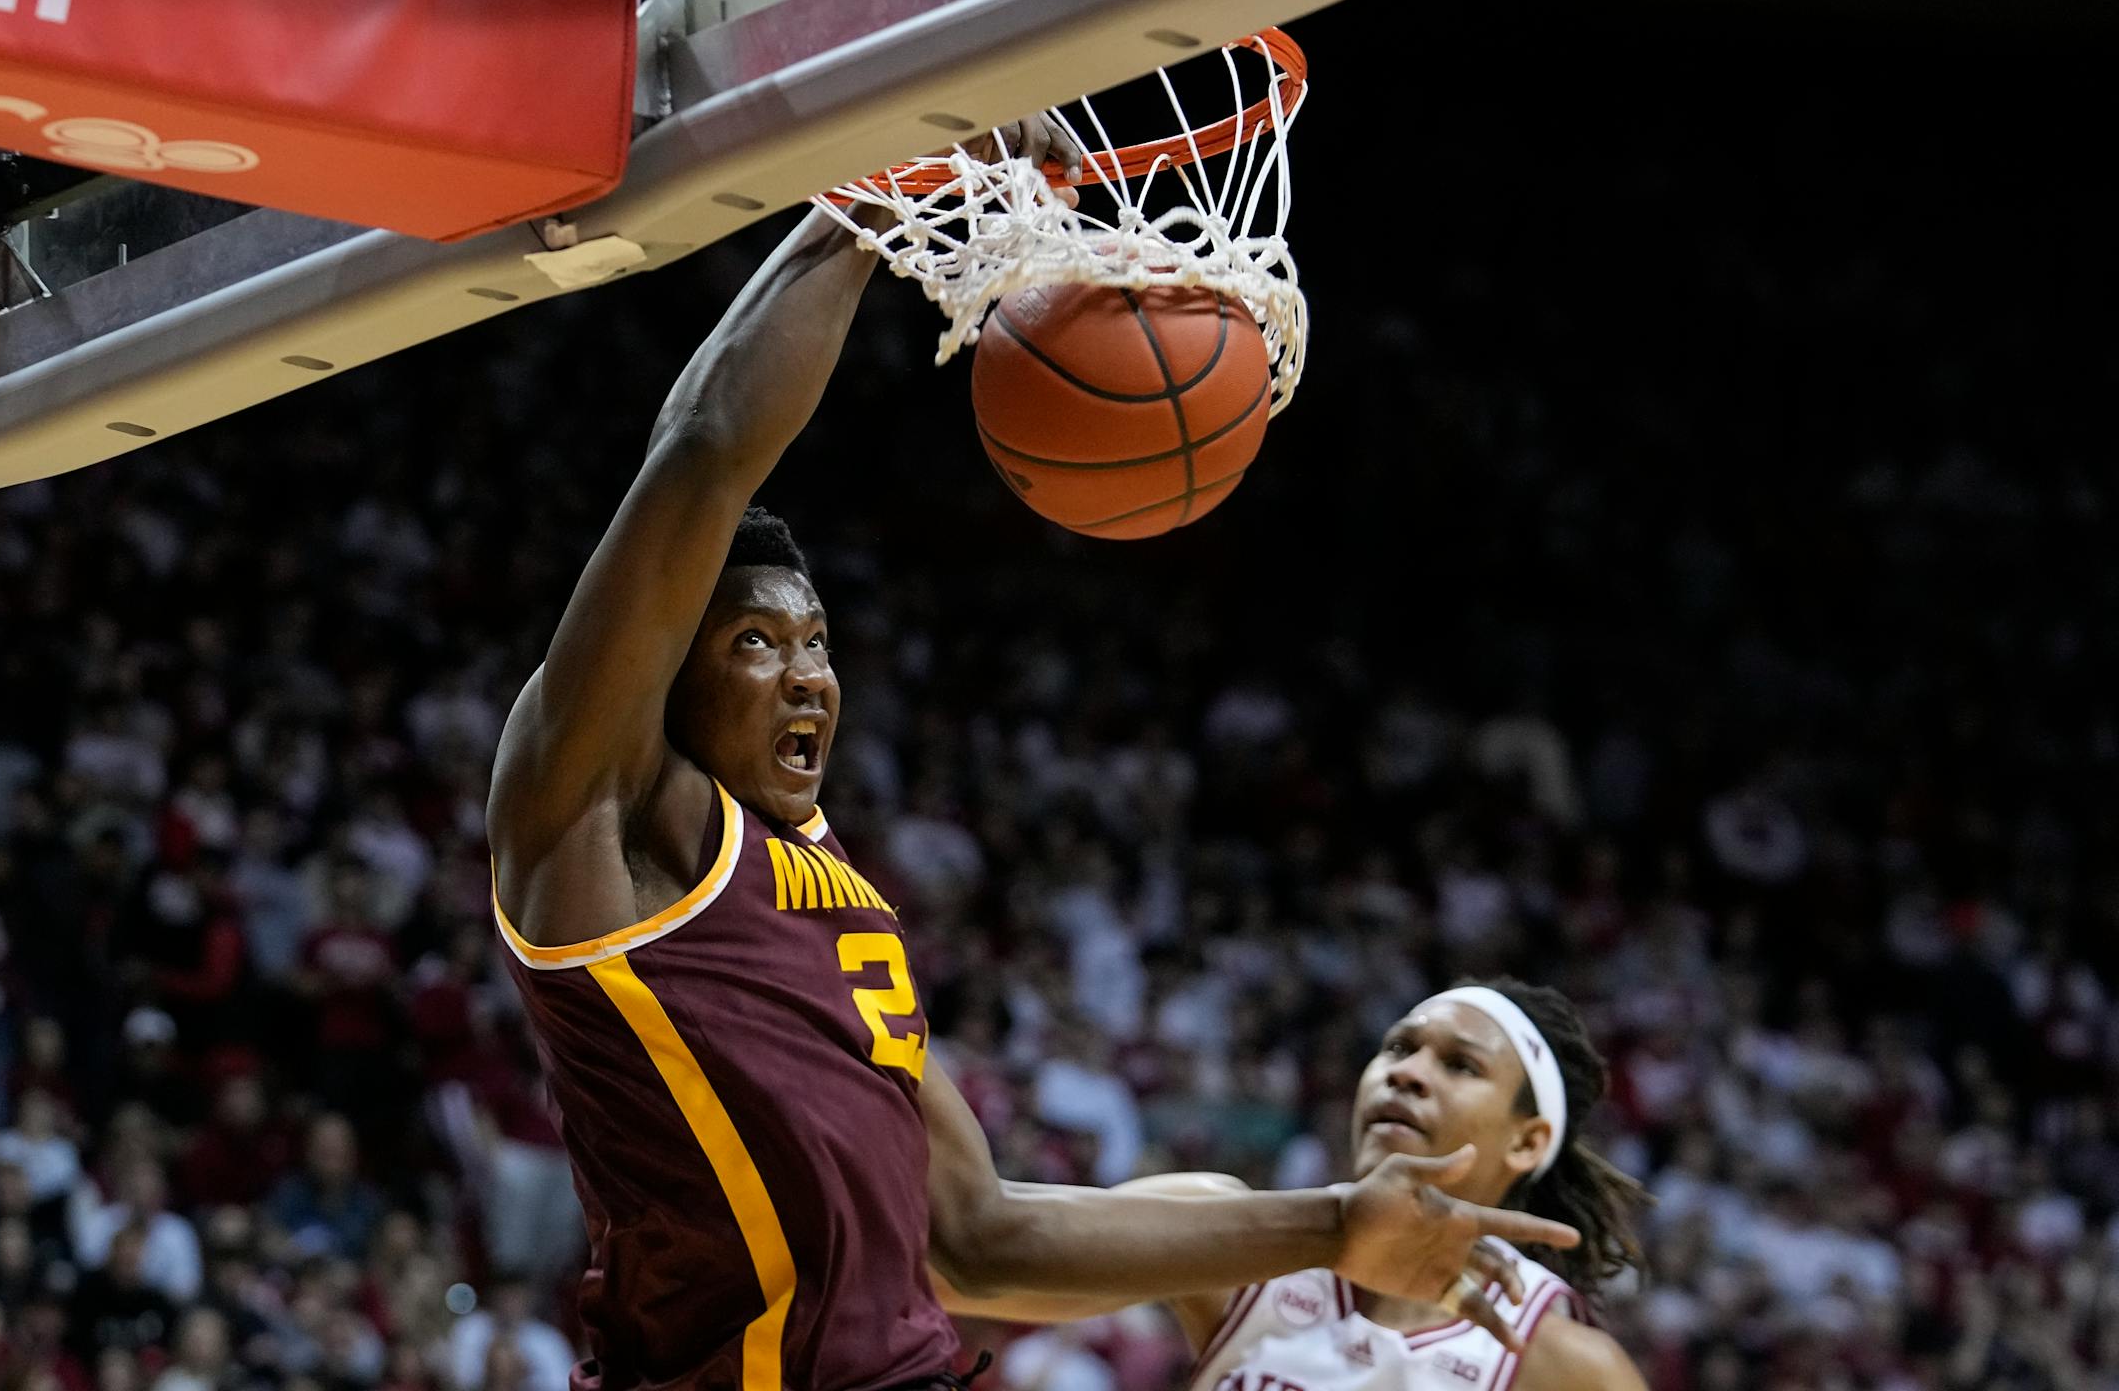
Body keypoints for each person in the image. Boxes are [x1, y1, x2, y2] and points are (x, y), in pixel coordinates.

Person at [485, 116, 1578, 1391]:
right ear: (659, 674)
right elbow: (706, 452)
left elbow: (981, 1238)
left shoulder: (841, 903)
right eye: (756, 645)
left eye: (821, 643)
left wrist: (1336, 1223)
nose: (810, 677)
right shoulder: (607, 821)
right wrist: (884, 195)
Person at [945, 978, 1652, 1391]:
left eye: (1460, 1065)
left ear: (1529, 1140)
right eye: (1398, 1048)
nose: (1406, 1072)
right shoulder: (1233, 1238)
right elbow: (968, 1261)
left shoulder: (1560, 1363)